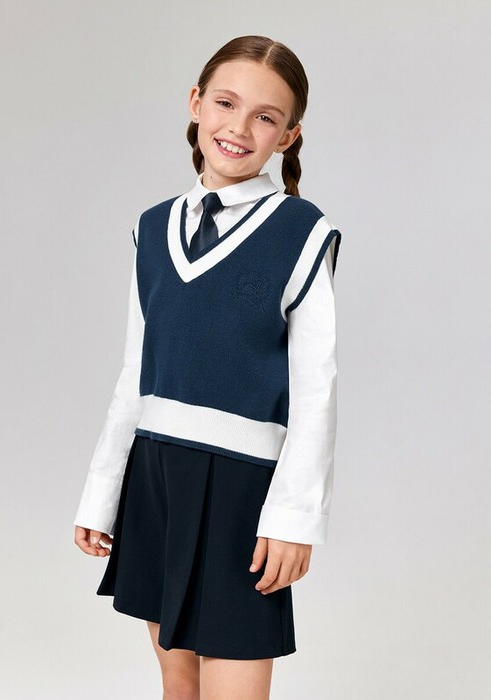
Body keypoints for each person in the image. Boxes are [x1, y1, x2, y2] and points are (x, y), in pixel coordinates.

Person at [73, 34, 342, 700]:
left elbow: (316, 387)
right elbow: (137, 370)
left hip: (242, 488)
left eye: (265, 116)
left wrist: (294, 518)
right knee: (178, 676)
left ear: (287, 136)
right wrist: (102, 493)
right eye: (226, 103)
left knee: (233, 678)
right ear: (196, 103)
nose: (239, 127)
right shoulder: (151, 227)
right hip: (156, 475)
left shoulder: (301, 231)